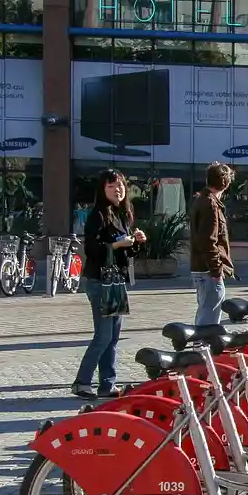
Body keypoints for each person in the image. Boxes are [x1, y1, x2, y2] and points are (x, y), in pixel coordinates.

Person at [71, 169, 146, 400]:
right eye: (111, 186)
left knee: (113, 337)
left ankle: (108, 384)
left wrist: (135, 242)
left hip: (116, 281)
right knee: (102, 336)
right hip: (100, 282)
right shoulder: (98, 215)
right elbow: (92, 250)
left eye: (120, 185)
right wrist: (117, 245)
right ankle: (82, 382)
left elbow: (125, 251)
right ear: (103, 190)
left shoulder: (123, 213)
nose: (118, 190)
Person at [189, 161, 234, 326]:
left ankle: (200, 347)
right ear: (226, 183)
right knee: (208, 321)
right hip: (208, 271)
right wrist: (216, 270)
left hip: (201, 268)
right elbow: (208, 241)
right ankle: (202, 349)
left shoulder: (203, 200)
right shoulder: (210, 204)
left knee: (205, 313)